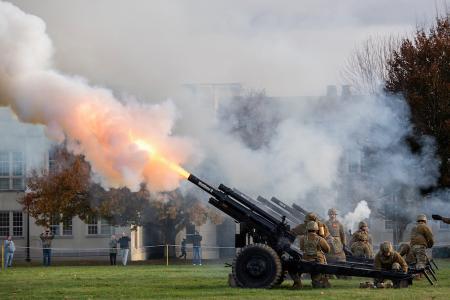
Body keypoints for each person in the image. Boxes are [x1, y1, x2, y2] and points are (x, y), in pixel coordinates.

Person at [299, 221, 331, 288]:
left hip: (305, 261)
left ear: (307, 229)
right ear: (316, 230)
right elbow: (327, 250)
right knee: (322, 265)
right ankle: (317, 281)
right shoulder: (320, 239)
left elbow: (301, 249)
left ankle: (298, 282)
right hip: (318, 261)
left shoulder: (302, 238)